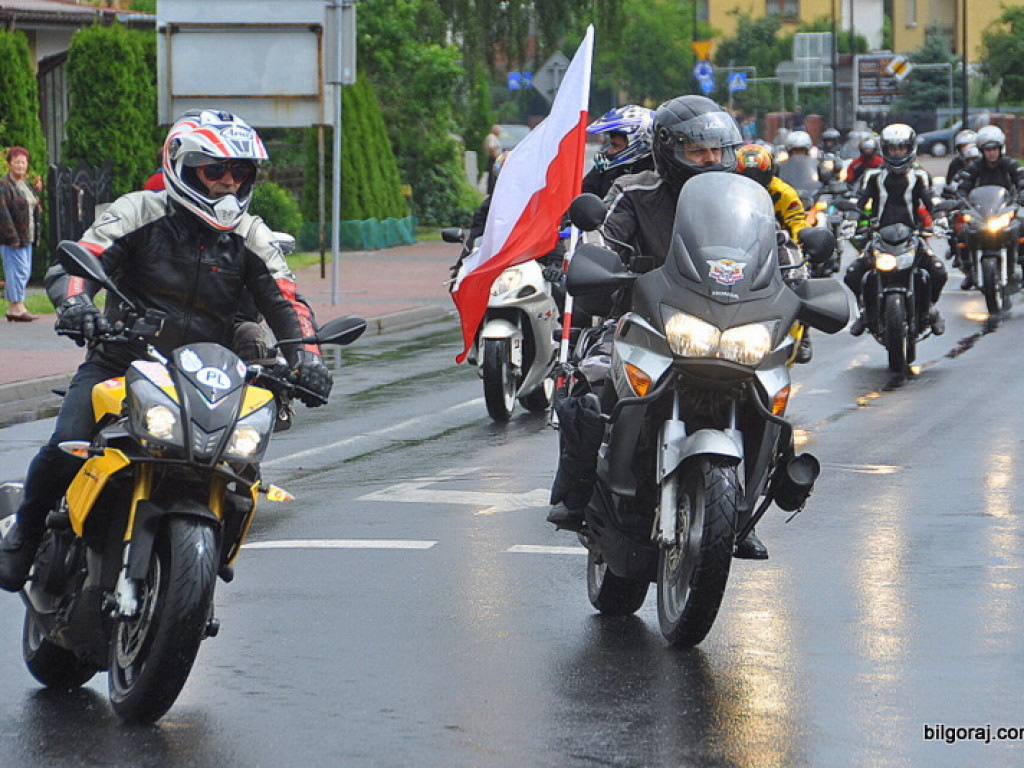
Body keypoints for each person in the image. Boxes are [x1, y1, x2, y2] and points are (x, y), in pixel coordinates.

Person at [0, 109, 333, 592]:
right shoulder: (139, 211)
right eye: (214, 169)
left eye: (239, 171)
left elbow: (287, 301)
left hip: (207, 378)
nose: (227, 182)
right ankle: (25, 537)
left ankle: (198, 569)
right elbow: (80, 262)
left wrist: (309, 360)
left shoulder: (250, 234)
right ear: (181, 165)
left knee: (240, 469)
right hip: (122, 360)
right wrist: (75, 303)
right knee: (68, 444)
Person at [548, 95, 770, 559]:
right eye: (698, 151)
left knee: (770, 389)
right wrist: (596, 265)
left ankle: (744, 509)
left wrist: (796, 282)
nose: (711, 160)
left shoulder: (747, 200)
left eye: (718, 150)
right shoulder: (634, 192)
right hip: (640, 320)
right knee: (590, 384)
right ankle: (575, 494)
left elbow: (777, 253)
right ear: (669, 151)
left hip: (722, 323)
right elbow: (601, 239)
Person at [845, 123, 947, 337]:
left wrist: (939, 218)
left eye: (902, 148)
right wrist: (852, 220)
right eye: (893, 148)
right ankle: (864, 312)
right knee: (853, 274)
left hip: (912, 237)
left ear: (910, 149)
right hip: (879, 237)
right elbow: (860, 202)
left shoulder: (919, 176)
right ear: (884, 149)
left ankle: (929, 308)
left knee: (938, 271)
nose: (897, 153)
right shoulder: (873, 176)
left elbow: (930, 200)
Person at [735, 143, 814, 363]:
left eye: (758, 177)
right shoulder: (730, 192)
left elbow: (797, 222)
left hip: (778, 248)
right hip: (738, 247)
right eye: (746, 177)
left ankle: (804, 333)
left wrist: (803, 242)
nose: (753, 183)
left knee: (801, 279)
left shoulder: (783, 193)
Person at [0, 147, 42, 322]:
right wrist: (12, 236)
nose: (20, 165)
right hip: (13, 238)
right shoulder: (4, 185)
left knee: (21, 270)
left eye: (23, 162)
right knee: (19, 271)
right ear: (9, 164)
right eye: (16, 162)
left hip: (27, 235)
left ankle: (13, 307)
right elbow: (3, 213)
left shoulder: (24, 184)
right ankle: (18, 306)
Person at [581, 105, 655, 199]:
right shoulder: (606, 169)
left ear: (640, 145)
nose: (610, 151)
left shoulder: (657, 181)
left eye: (615, 145)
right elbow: (584, 194)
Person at [484, 125, 502, 194]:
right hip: (493, 158)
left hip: (493, 158)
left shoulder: (493, 137)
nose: (500, 132)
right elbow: (491, 147)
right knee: (493, 175)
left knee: (492, 174)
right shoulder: (492, 137)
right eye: (499, 130)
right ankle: (491, 190)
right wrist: (495, 156)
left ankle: (491, 189)